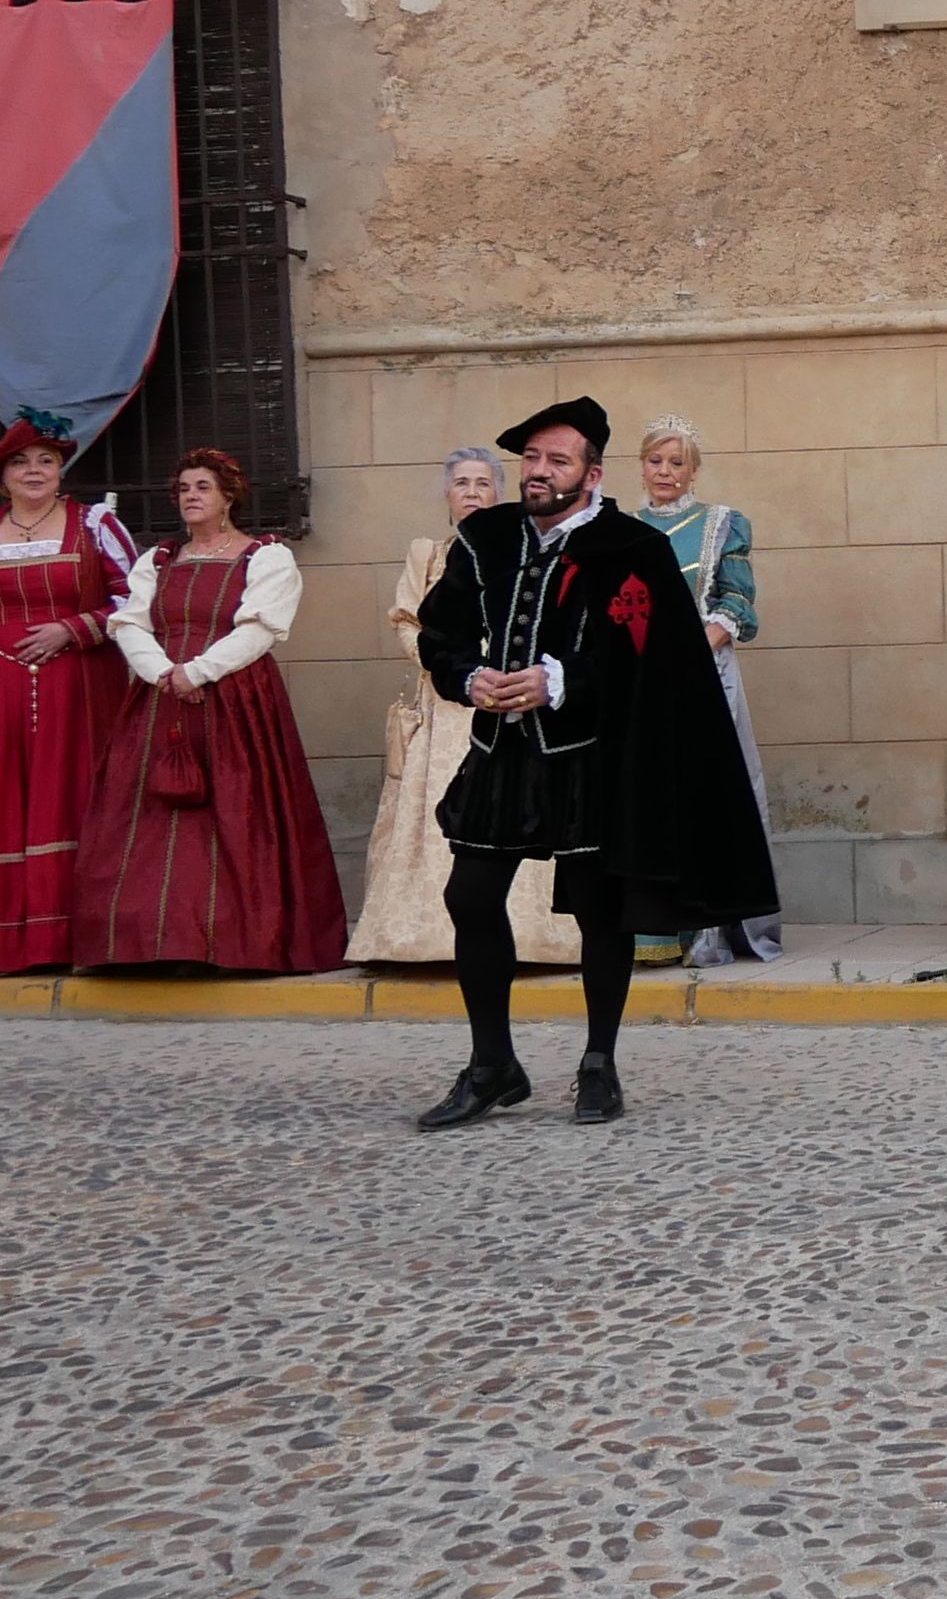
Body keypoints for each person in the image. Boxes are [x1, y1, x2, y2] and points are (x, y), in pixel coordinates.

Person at [413, 395, 782, 1127]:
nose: (540, 473)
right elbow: (441, 633)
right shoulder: (486, 537)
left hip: (593, 757)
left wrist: (559, 681)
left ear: (592, 471)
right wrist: (468, 677)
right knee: (470, 897)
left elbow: (651, 661)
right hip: (503, 753)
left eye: (558, 460)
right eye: (533, 460)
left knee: (599, 910)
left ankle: (598, 1063)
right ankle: (493, 1064)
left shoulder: (629, 548)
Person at [75, 447, 351, 974]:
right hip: (158, 703)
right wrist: (161, 672)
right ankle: (148, 945)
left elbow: (260, 629)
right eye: (183, 489)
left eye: (202, 487)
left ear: (228, 496)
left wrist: (196, 672)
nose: (191, 497)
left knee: (235, 814)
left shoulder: (266, 557)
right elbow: (130, 622)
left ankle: (229, 944)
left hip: (235, 699)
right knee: (146, 820)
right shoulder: (157, 559)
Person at [0, 421, 142, 976]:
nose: (35, 471)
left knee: (71, 801)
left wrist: (73, 629)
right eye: (21, 463)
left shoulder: (96, 525)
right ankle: (2, 943)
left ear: (60, 470)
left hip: (80, 695)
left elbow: (139, 601)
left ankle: (76, 941)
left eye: (46, 460)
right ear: (2, 478)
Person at [354, 447, 578, 972]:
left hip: (512, 702)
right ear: (447, 495)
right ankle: (420, 939)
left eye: (483, 483)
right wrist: (456, 669)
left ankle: (534, 938)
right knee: (435, 822)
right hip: (445, 702)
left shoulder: (525, 547)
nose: (472, 493)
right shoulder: (428, 553)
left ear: (500, 493)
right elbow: (408, 621)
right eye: (462, 484)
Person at [634, 419, 785, 966]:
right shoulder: (622, 529)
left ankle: (711, 927)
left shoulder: (722, 525)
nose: (666, 472)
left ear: (694, 469)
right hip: (641, 682)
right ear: (642, 465)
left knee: (708, 792)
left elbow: (737, 601)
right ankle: (653, 928)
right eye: (657, 461)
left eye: (677, 462)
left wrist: (693, 651)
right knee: (650, 798)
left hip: (705, 672)